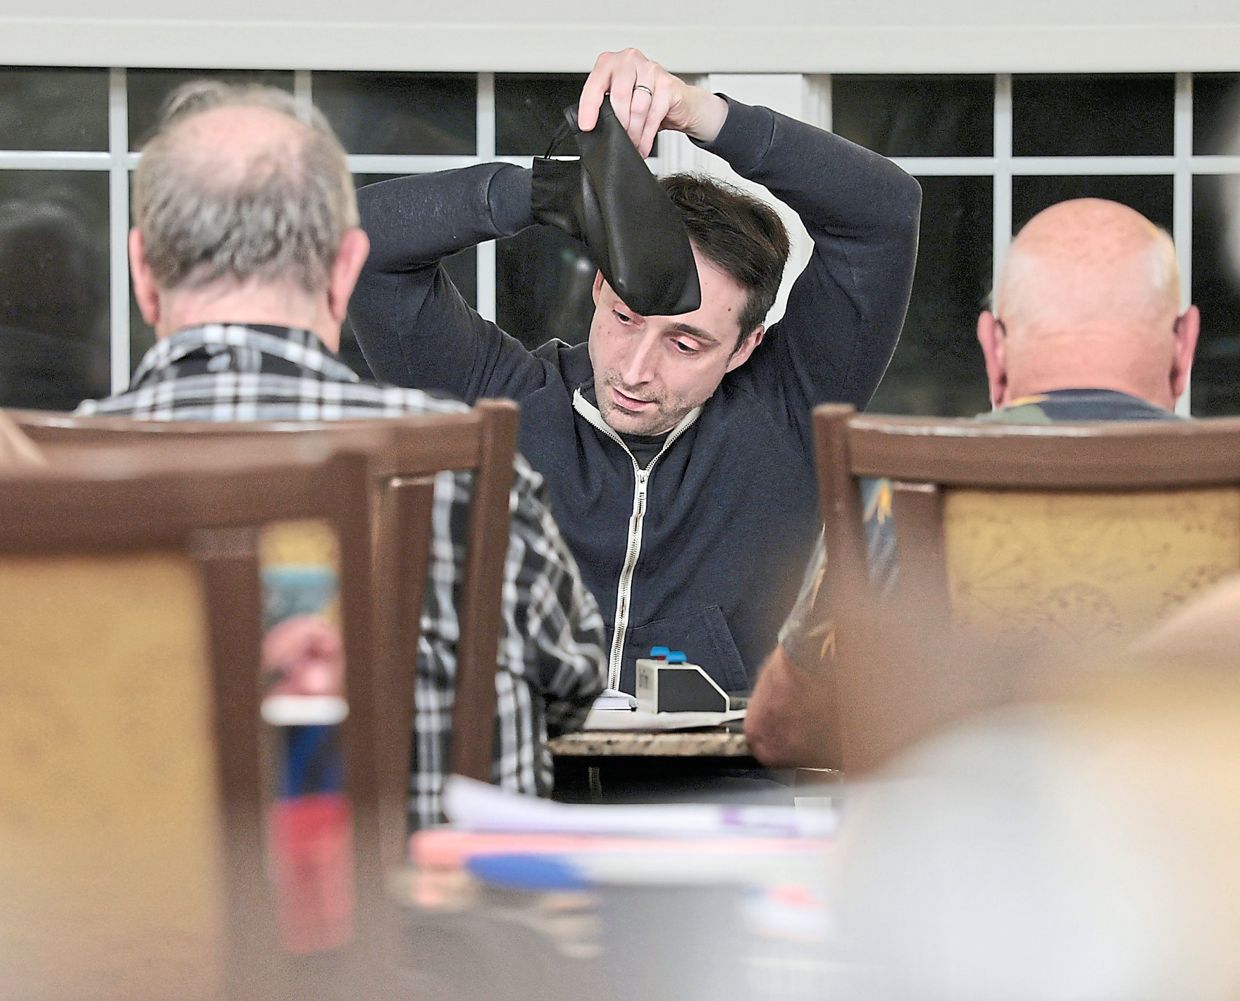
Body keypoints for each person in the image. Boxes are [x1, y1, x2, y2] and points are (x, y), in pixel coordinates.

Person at [76, 81, 607, 829]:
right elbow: (574, 686)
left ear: (142, 271)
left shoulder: (35, 473)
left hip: (137, 905)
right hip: (439, 902)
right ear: (344, 268)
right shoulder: (461, 463)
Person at [349, 47, 921, 694]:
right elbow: (364, 243)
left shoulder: (789, 411)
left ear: (744, 346)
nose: (636, 370)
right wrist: (541, 193)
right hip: (518, 749)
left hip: (724, 756)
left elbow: (883, 213)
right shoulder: (496, 401)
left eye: (685, 344)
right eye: (626, 318)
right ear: (599, 288)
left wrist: (699, 113)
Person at [746, 197, 1202, 768]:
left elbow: (785, 729)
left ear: (995, 348)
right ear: (1184, 345)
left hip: (971, 819)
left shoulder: (898, 481)